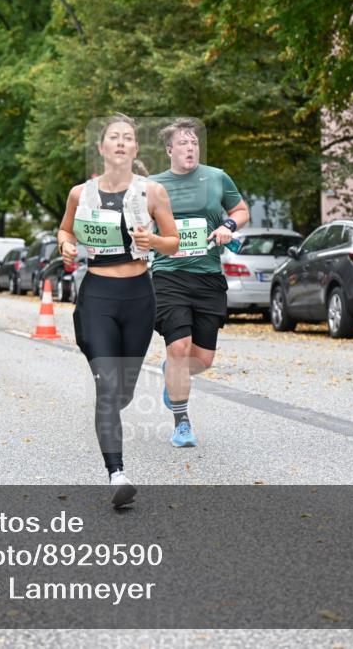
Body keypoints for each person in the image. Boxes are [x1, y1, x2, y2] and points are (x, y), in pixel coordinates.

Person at [57, 113, 178, 507]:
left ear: (136, 149)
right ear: (102, 148)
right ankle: (117, 474)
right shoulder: (81, 193)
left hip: (140, 296)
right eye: (114, 137)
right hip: (97, 296)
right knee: (108, 388)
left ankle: (114, 409)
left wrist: (153, 239)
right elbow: (65, 229)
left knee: (122, 390)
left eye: (128, 138)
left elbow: (174, 242)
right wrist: (66, 245)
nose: (122, 143)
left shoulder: (153, 192)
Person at [149, 118, 250, 448]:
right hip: (168, 275)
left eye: (194, 142)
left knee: (202, 360)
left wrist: (229, 226)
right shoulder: (153, 185)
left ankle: (172, 372)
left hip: (207, 277)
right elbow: (136, 222)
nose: (190, 148)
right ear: (169, 150)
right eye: (183, 143)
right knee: (179, 347)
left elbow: (241, 209)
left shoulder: (216, 177)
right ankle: (181, 422)